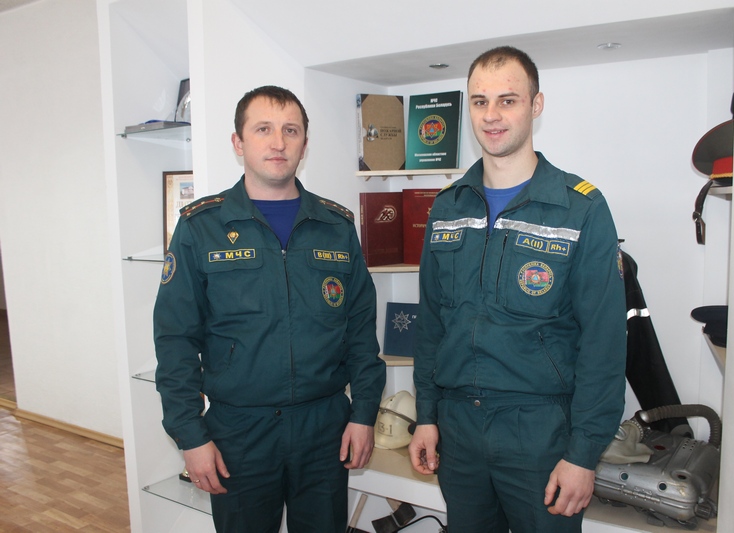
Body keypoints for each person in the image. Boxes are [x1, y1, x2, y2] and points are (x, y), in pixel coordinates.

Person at [408, 46, 627, 532]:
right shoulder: (448, 207)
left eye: (507, 100)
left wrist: (583, 453)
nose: (492, 115)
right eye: (480, 101)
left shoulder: (581, 209)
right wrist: (426, 415)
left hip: (541, 433)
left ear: (536, 105)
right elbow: (432, 325)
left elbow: (605, 344)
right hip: (459, 431)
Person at [154, 85, 385, 533]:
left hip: (324, 428)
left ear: (304, 143)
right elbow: (175, 339)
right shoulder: (201, 227)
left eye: (290, 130)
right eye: (263, 129)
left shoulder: (336, 227)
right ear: (238, 143)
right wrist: (190, 436)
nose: (278, 142)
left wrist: (363, 414)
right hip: (239, 431)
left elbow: (360, 332)